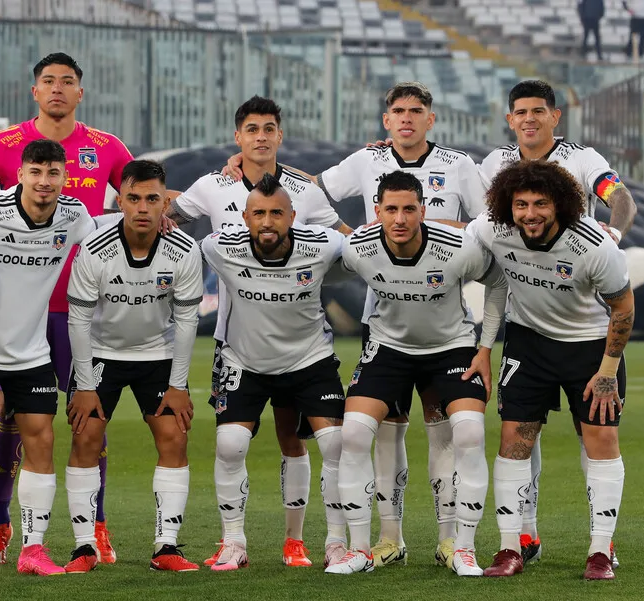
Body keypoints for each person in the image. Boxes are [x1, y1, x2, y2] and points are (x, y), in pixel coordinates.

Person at [225, 82, 487, 568]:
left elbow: (488, 224)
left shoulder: (459, 165)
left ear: (431, 119)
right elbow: (307, 191)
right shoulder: (366, 160)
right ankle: (389, 539)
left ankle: (451, 540)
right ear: (386, 120)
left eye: (416, 111)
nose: (407, 118)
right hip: (383, 320)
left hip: (444, 321)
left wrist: (439, 233)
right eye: (398, 111)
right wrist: (251, 170)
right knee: (385, 430)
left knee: (445, 432)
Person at [0, 52, 133, 566]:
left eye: (68, 82)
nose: (58, 88)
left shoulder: (107, 148)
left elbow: (137, 198)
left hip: (82, 307)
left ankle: (95, 525)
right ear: (34, 90)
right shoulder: (0, 147)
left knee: (87, 416)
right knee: (10, 415)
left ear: (81, 92)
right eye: (48, 81)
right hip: (16, 310)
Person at [166, 95, 352, 568]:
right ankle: (233, 542)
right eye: (252, 129)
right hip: (239, 343)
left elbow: (349, 244)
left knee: (308, 442)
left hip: (305, 344)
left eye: (269, 128)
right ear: (238, 137)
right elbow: (169, 216)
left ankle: (309, 541)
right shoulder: (213, 184)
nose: (261, 137)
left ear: (279, 135)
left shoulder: (305, 192)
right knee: (230, 444)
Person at [478, 79, 636, 566]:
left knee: (599, 437)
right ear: (510, 120)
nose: (529, 118)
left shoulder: (584, 161)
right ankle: (517, 540)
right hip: (529, 334)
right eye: (520, 111)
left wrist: (614, 230)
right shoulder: (493, 168)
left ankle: (600, 546)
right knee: (517, 436)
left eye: (538, 111)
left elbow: (622, 199)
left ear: (555, 116)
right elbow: (481, 236)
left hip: (589, 330)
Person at [0, 140, 113, 577]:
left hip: (33, 353)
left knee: (42, 443)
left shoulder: (74, 216)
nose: (44, 181)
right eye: (36, 172)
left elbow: (106, 239)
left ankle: (33, 550)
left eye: (53, 172)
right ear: (20, 175)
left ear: (64, 177)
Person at [326, 171, 505, 576]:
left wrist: (485, 347)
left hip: (451, 348)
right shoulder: (358, 248)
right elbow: (318, 262)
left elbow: (497, 282)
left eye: (409, 208)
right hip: (389, 348)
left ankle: (463, 548)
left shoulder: (459, 248)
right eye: (391, 209)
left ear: (424, 210)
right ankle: (359, 550)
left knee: (470, 432)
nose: (400, 218)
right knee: (352, 433)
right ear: (377, 212)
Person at [199, 174, 348, 572]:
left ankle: (332, 542)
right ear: (245, 218)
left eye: (277, 213)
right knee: (230, 444)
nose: (268, 221)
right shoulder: (220, 245)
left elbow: (367, 244)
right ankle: (233, 542)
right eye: (259, 213)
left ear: (293, 217)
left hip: (309, 359)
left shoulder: (323, 243)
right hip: (244, 361)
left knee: (335, 444)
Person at [64, 160, 203, 573]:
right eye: (134, 198)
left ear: (166, 203)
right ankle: (83, 548)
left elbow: (187, 321)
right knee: (85, 437)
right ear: (120, 201)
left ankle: (167, 547)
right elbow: (79, 321)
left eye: (153, 199)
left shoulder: (184, 250)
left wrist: (178, 385)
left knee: (174, 437)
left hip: (157, 357)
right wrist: (86, 386)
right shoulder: (94, 248)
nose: (143, 207)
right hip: (102, 354)